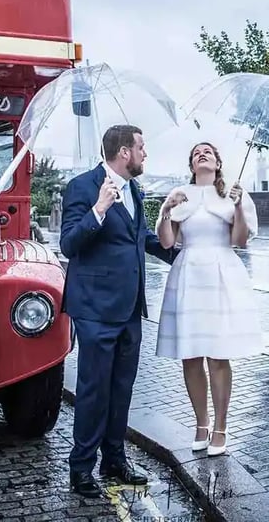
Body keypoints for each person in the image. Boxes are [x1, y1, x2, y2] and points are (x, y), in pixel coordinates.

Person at [60, 124, 175, 497]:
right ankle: (81, 470)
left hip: (129, 309)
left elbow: (140, 238)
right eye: (141, 147)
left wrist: (185, 255)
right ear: (124, 152)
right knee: (93, 391)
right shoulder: (82, 186)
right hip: (94, 310)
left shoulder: (135, 190)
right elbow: (69, 245)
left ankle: (114, 459)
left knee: (121, 390)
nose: (145, 154)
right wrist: (98, 209)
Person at [155, 141, 263, 457]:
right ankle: (201, 424)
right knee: (190, 355)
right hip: (188, 274)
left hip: (221, 274)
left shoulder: (232, 192)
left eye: (208, 152)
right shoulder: (180, 194)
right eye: (196, 153)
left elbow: (239, 240)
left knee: (218, 354)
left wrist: (240, 206)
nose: (202, 154)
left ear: (217, 162)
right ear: (191, 165)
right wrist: (165, 211)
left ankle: (221, 427)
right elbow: (167, 241)